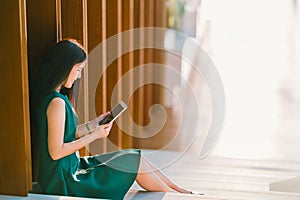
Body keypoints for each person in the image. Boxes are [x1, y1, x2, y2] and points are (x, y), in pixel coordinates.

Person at [30, 39, 192, 200]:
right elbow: (56, 152)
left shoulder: (52, 98)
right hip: (65, 179)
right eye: (78, 70)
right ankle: (177, 196)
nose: (79, 76)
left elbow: (66, 134)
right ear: (64, 66)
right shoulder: (57, 102)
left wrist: (93, 125)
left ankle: (178, 191)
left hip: (68, 169)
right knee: (130, 161)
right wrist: (95, 136)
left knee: (135, 156)